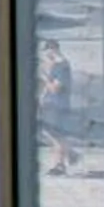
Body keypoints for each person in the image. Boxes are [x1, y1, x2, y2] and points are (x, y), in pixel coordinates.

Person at [37, 38, 78, 175]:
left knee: (57, 135)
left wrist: (45, 77)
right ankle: (70, 153)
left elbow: (56, 88)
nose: (46, 55)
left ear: (54, 49)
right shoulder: (54, 65)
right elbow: (47, 90)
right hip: (50, 104)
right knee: (51, 133)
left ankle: (60, 164)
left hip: (58, 105)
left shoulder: (62, 66)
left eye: (48, 51)